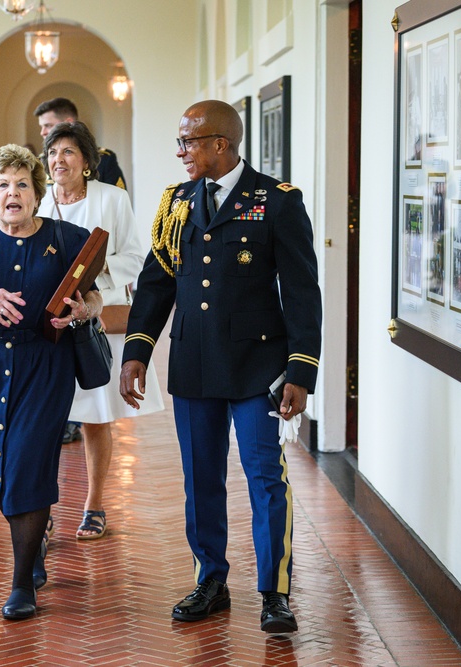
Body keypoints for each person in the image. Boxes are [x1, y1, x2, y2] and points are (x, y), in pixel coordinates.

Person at [120, 100, 322, 634]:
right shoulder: (175, 203)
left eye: (190, 142)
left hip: (259, 368)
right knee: (201, 479)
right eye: (180, 142)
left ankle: (274, 593)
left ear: (221, 145)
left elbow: (302, 291)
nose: (182, 152)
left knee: (264, 478)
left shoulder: (277, 201)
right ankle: (210, 578)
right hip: (194, 365)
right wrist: (137, 350)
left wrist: (301, 370)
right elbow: (157, 283)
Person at [0, 144, 102, 620]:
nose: (13, 193)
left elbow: (93, 297)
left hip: (46, 363)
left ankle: (21, 584)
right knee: (2, 461)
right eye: (3, 185)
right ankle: (33, 548)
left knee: (30, 459)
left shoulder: (69, 237)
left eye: (23, 184)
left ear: (38, 193)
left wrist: (82, 310)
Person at [37, 121, 163, 541]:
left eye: (68, 152)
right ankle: (43, 507)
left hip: (96, 317)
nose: (59, 161)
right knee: (46, 419)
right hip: (50, 323)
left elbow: (135, 255)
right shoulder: (36, 200)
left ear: (87, 162)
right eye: (53, 153)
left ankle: (94, 503)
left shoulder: (112, 198)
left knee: (94, 416)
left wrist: (94, 271)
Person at [34, 97, 128, 191]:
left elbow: (115, 199)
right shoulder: (39, 162)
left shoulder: (103, 159)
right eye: (52, 152)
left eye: (48, 126)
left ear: (68, 123)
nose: (42, 132)